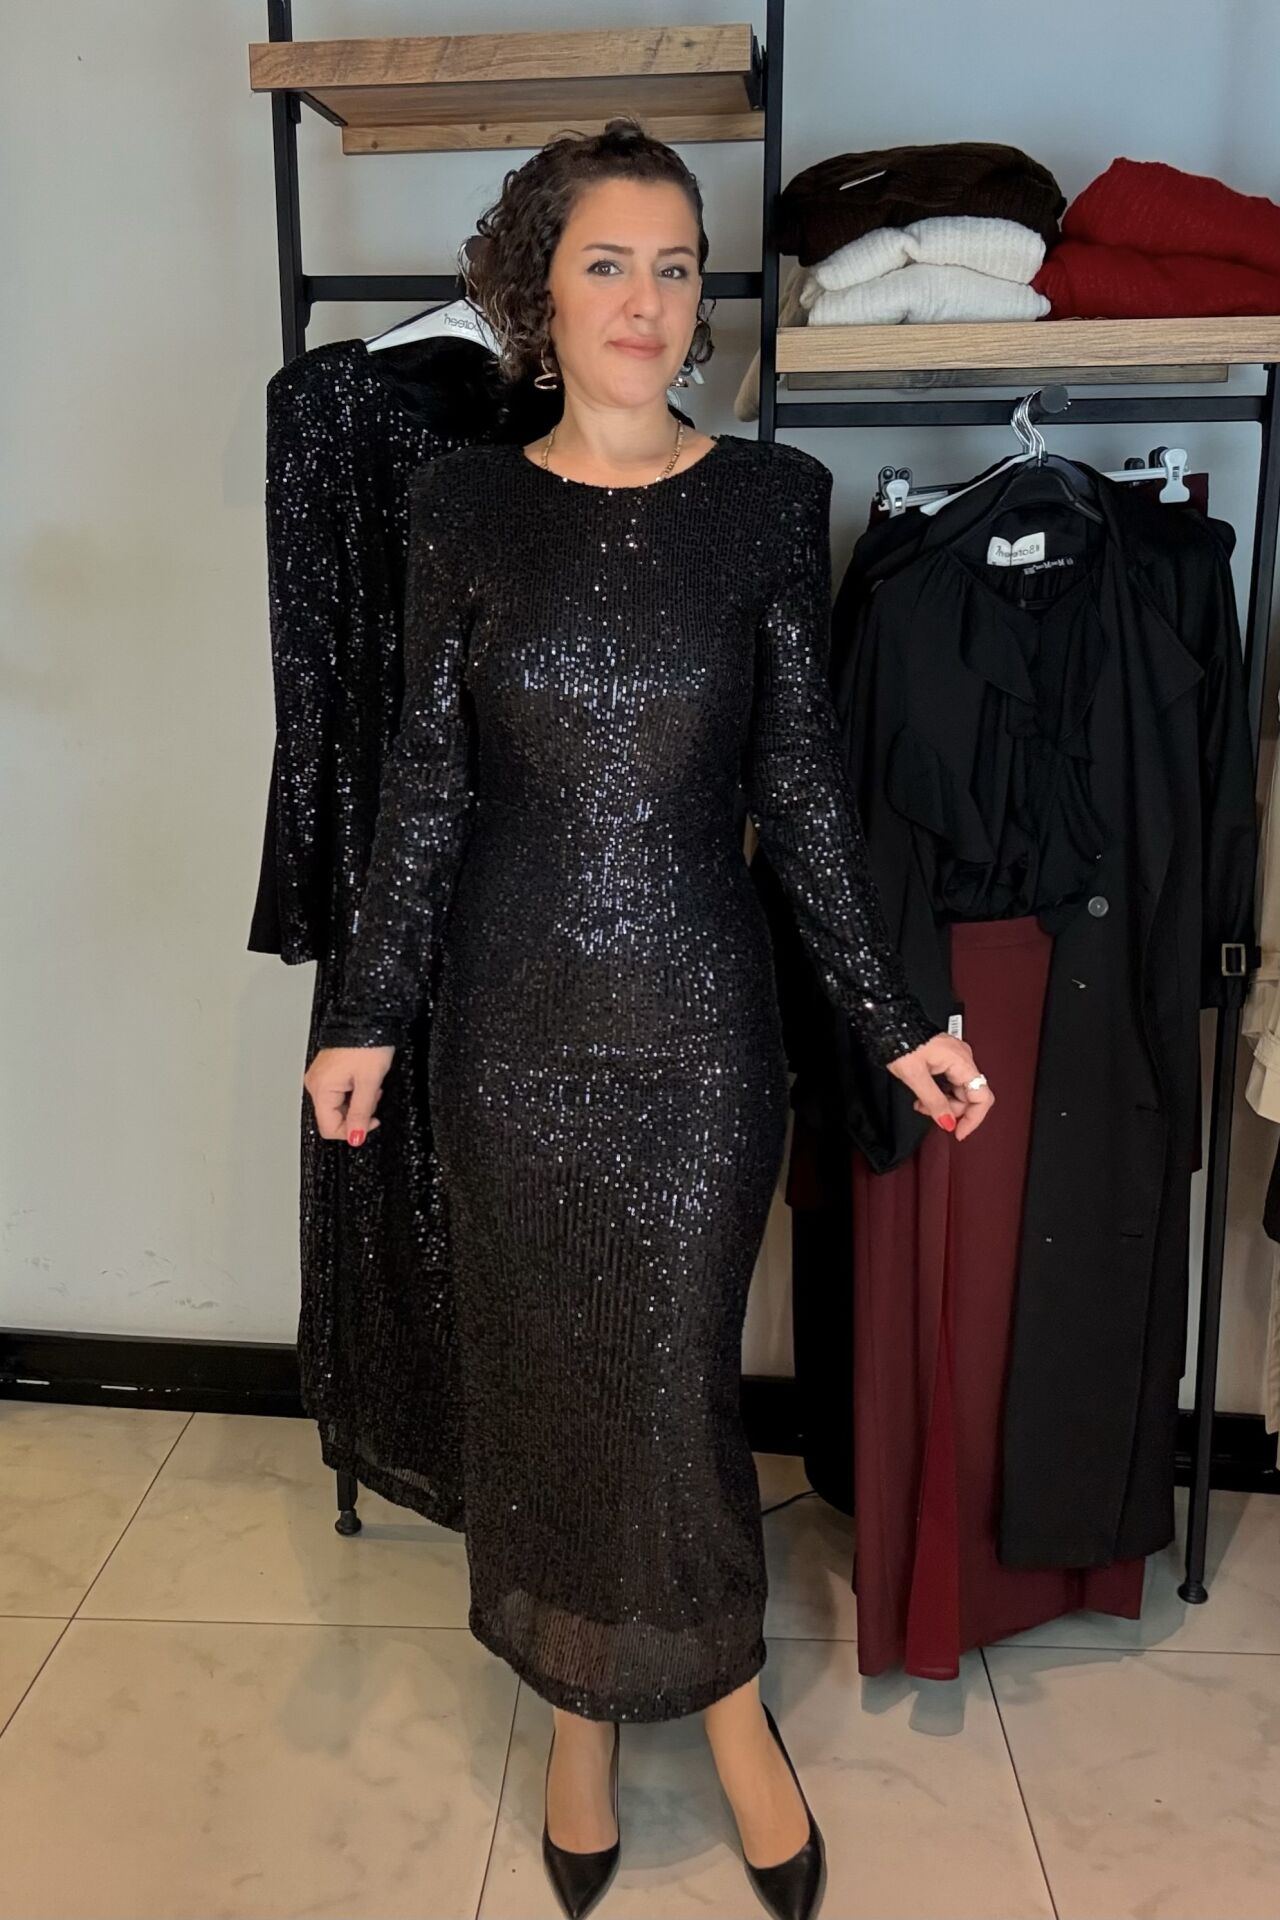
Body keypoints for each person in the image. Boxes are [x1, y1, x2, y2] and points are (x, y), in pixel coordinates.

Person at [303, 117, 993, 1920]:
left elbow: (806, 800)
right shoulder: (459, 509)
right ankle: (578, 1720)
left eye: (676, 266)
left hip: (700, 1038)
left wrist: (897, 1017)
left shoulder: (766, 504)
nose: (647, 299)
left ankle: (732, 1710)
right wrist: (364, 1015)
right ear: (539, 288)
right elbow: (426, 790)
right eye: (608, 261)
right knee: (546, 1381)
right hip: (508, 1037)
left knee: (672, 1385)